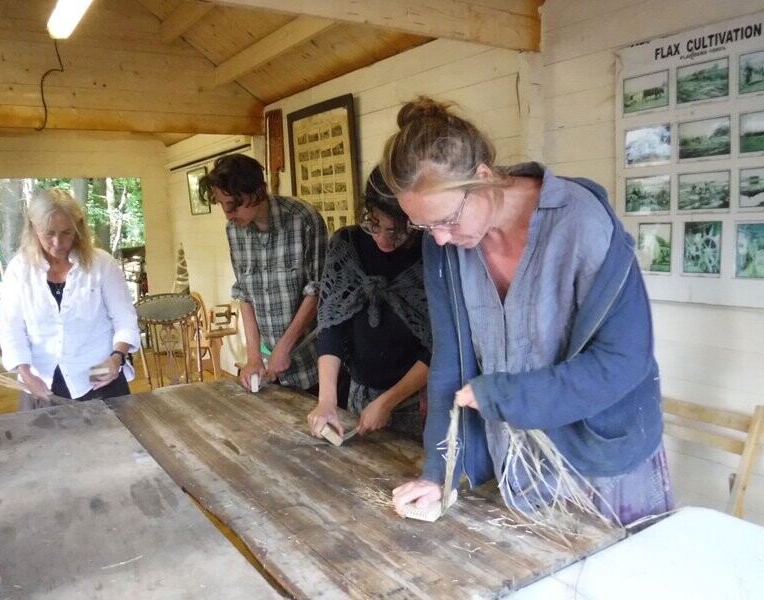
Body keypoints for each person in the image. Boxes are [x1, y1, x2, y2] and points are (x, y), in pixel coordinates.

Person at [385, 97, 673, 526]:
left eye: (448, 219)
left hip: (600, 459)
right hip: (519, 463)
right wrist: (439, 471)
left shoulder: (580, 221)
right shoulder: (443, 248)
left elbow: (623, 361)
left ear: (483, 177)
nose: (440, 238)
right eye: (425, 226)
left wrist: (504, 396)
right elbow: (450, 362)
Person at [307, 167, 431, 441]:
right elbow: (332, 324)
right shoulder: (347, 245)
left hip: (416, 395)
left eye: (395, 231)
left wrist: (389, 401)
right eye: (374, 224)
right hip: (360, 388)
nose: (383, 239)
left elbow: (441, 346)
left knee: (407, 462)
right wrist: (326, 400)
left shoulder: (430, 251)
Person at [0, 188, 140, 408]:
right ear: (33, 228)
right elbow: (11, 329)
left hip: (98, 377)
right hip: (40, 382)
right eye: (48, 233)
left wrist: (117, 357)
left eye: (66, 232)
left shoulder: (102, 264)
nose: (58, 242)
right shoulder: (19, 270)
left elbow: (125, 320)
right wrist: (25, 373)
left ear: (78, 228)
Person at [199, 155, 328, 392]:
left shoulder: (303, 219)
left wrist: (284, 347)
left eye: (234, 205)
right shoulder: (234, 231)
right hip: (269, 366)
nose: (227, 214)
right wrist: (253, 357)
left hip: (313, 362)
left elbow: (318, 291)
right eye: (222, 205)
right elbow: (245, 294)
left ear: (257, 191)